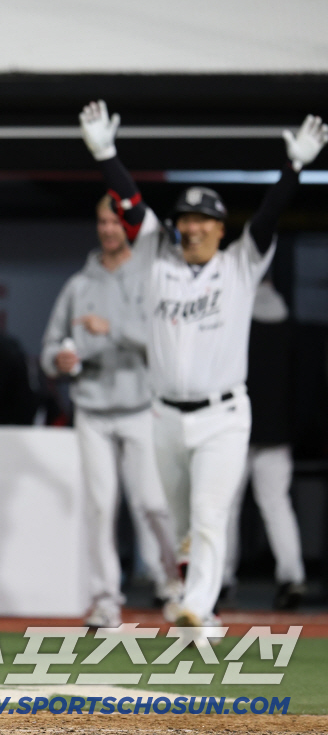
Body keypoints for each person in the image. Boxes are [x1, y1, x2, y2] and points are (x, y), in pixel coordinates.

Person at [78, 100, 326, 628]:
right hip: (165, 415)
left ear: (219, 227)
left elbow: (267, 216)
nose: (191, 228)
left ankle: (196, 604)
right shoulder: (157, 260)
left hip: (223, 415)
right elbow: (131, 204)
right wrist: (105, 154)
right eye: (185, 219)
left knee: (212, 515)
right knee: (183, 519)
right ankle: (201, 609)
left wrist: (294, 168)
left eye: (202, 220)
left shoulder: (240, 265)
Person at [41, 198, 181, 628]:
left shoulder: (152, 275)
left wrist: (112, 329)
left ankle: (176, 584)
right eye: (101, 220)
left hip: (141, 404)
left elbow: (166, 338)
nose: (107, 229)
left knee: (154, 503)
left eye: (115, 221)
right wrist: (58, 363)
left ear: (129, 226)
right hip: (93, 408)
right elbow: (48, 350)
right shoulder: (79, 284)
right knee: (101, 506)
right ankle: (106, 599)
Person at [223, 279, 305, 610]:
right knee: (277, 506)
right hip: (277, 435)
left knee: (226, 509)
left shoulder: (235, 325)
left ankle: (221, 580)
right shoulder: (291, 327)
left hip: (236, 431)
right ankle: (292, 577)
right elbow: (302, 387)